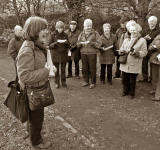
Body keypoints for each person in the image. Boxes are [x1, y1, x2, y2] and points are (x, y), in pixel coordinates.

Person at [17, 16, 52, 149]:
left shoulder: (35, 45)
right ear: (35, 30)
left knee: (33, 117)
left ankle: (31, 133)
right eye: (43, 28)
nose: (46, 31)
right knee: (37, 118)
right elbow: (25, 75)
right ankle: (36, 142)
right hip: (33, 91)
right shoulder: (27, 49)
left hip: (37, 89)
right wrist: (46, 71)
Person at [119, 21, 147, 99]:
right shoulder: (126, 40)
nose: (133, 32)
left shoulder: (142, 40)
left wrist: (137, 53)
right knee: (124, 79)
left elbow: (145, 52)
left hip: (134, 63)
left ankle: (132, 94)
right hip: (125, 63)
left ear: (138, 30)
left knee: (132, 80)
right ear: (129, 31)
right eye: (131, 30)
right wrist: (121, 51)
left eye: (134, 30)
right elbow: (121, 48)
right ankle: (125, 91)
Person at [77, 19, 102, 89]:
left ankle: (93, 82)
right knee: (85, 68)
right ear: (84, 26)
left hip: (92, 53)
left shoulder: (95, 33)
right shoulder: (81, 34)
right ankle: (86, 81)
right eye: (87, 26)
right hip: (83, 53)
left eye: (90, 25)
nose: (88, 27)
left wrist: (92, 43)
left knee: (92, 68)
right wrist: (80, 43)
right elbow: (77, 43)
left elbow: (99, 44)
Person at [49, 21, 70, 88]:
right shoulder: (53, 34)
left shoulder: (65, 35)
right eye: (58, 28)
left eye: (61, 28)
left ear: (63, 28)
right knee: (56, 70)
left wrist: (66, 43)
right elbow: (49, 45)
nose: (60, 29)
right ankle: (57, 83)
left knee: (63, 69)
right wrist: (55, 43)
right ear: (56, 27)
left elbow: (68, 45)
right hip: (55, 55)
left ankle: (63, 82)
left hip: (63, 54)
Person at [140, 16, 159, 82]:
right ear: (148, 22)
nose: (151, 23)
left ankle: (151, 79)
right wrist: (144, 38)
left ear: (156, 23)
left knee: (152, 64)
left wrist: (151, 39)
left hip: (153, 50)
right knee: (144, 64)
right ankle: (145, 78)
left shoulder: (158, 31)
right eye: (150, 21)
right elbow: (140, 39)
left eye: (153, 22)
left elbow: (158, 40)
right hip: (145, 49)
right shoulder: (145, 30)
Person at [148, 34, 160, 101]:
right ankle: (154, 89)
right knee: (154, 76)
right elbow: (150, 47)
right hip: (154, 59)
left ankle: (158, 96)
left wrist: (156, 46)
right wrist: (154, 46)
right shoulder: (157, 36)